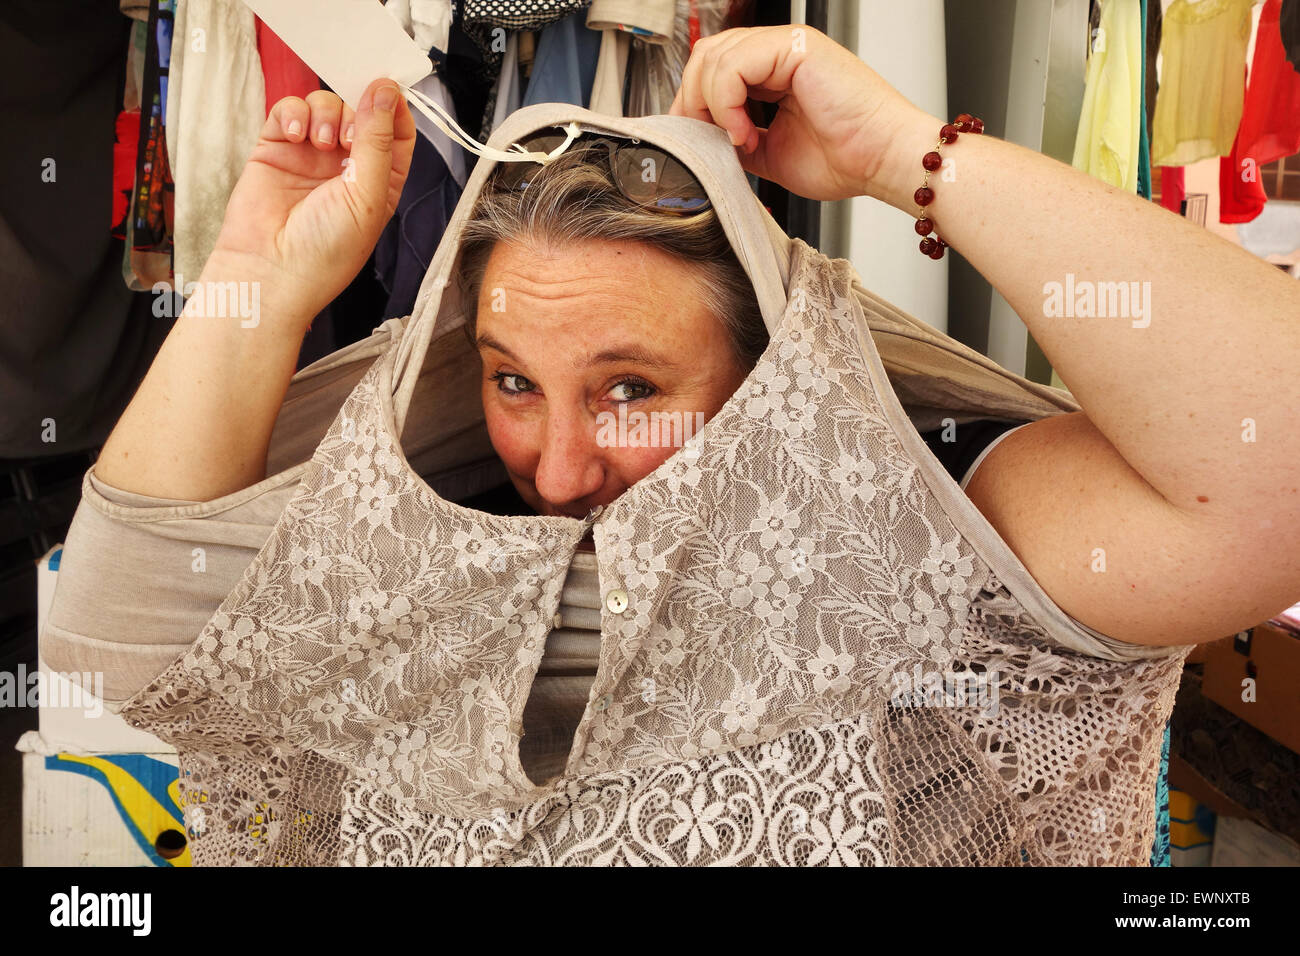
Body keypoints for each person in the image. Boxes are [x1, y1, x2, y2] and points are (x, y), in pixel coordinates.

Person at [49, 26, 1300, 865]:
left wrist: (899, 155)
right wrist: (259, 281)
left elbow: (1273, 469)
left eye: (631, 386)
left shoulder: (926, 543)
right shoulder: (412, 544)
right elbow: (109, 624)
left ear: (768, 376)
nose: (557, 464)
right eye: (510, 381)